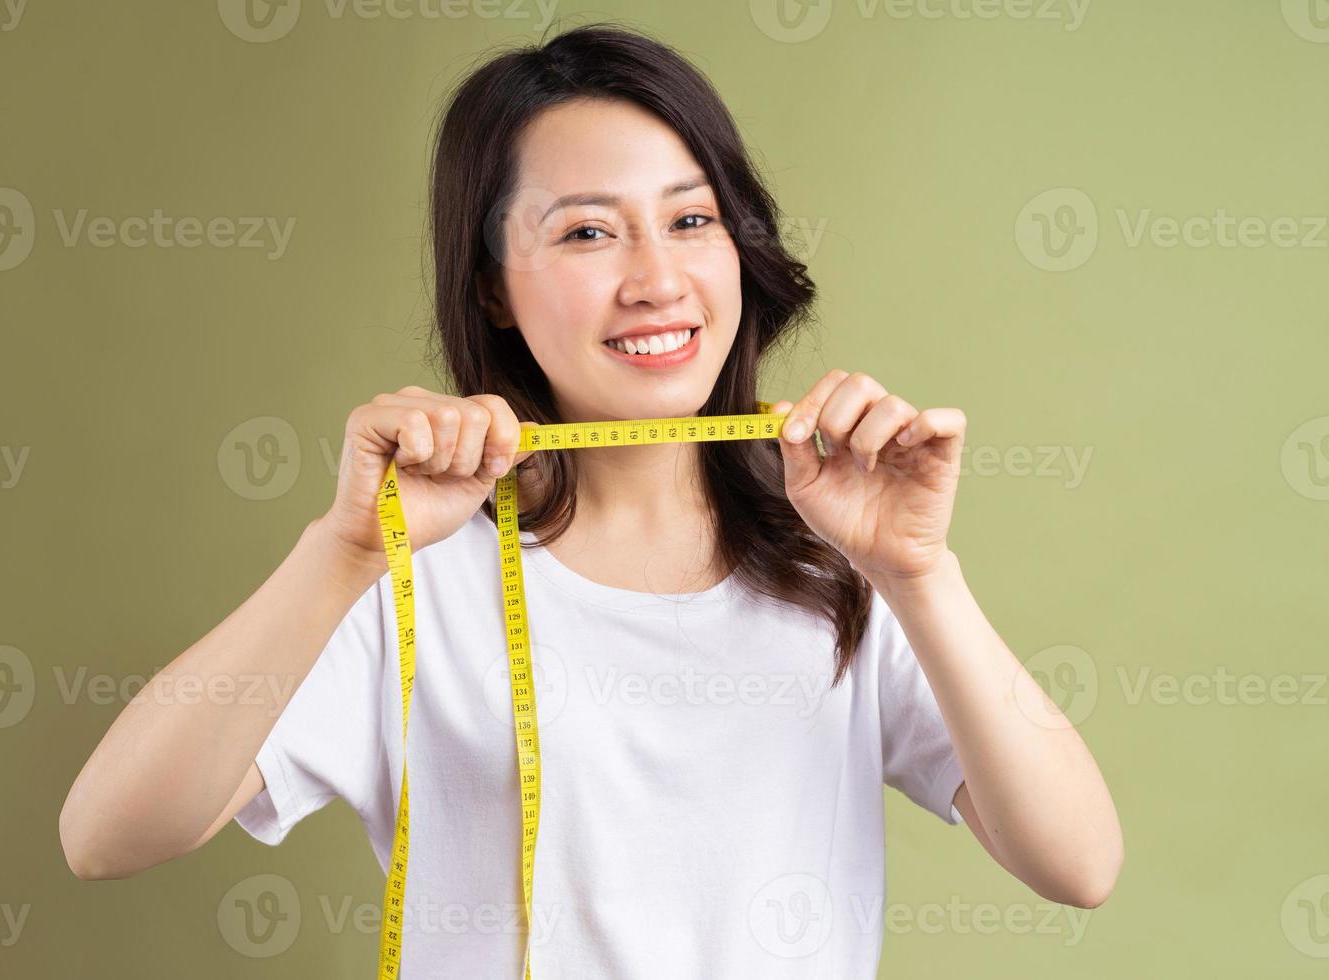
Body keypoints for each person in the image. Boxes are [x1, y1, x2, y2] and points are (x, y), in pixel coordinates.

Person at [58, 22, 1122, 978]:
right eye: (585, 233)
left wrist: (921, 573)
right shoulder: (410, 577)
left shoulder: (840, 563)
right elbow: (106, 834)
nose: (657, 278)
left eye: (692, 219)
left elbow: (1079, 861)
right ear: (491, 289)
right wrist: (341, 550)